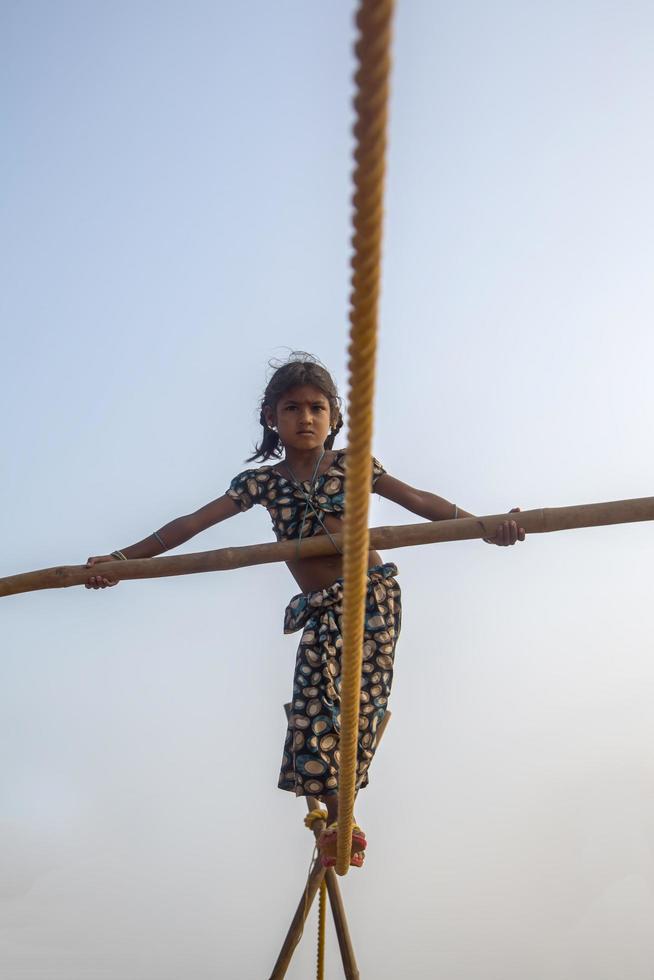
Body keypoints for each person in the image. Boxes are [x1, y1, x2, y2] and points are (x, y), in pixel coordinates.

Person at [85, 352, 526, 868]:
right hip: (320, 608)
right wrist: (123, 561)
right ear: (272, 417)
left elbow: (421, 502)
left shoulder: (353, 466)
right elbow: (190, 525)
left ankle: (343, 814)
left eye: (317, 407)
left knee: (361, 702)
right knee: (314, 705)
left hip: (371, 596)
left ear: (334, 417)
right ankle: (340, 819)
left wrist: (485, 526)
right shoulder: (262, 484)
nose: (306, 418)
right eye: (292, 408)